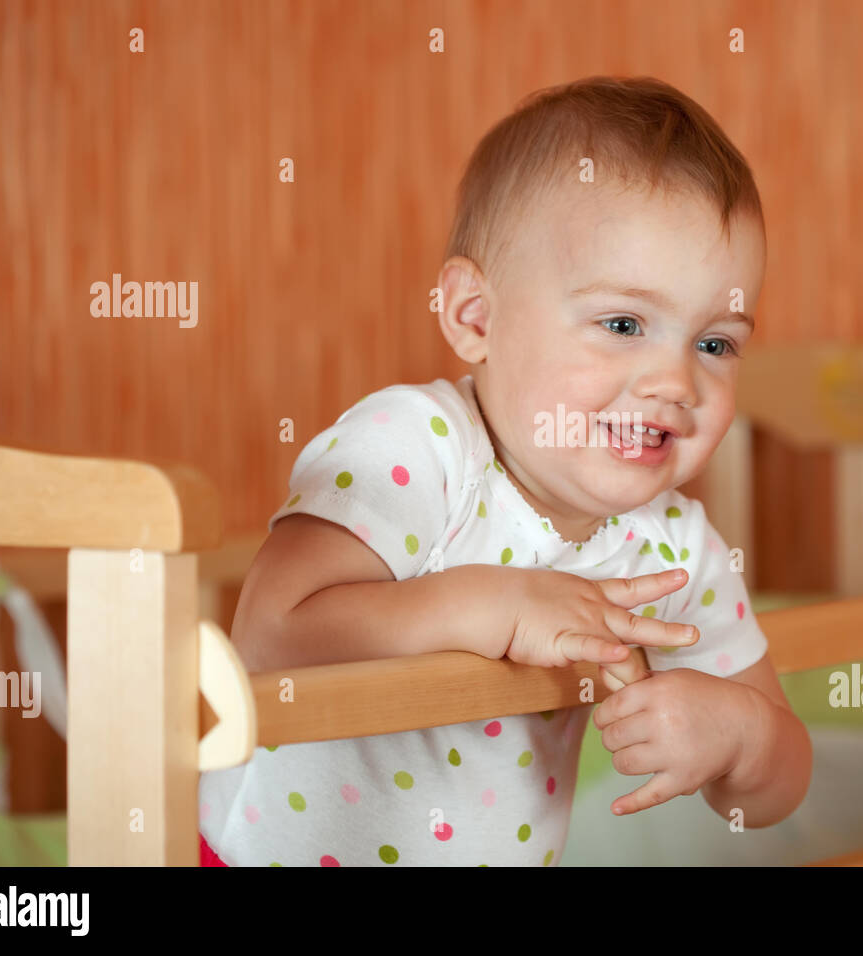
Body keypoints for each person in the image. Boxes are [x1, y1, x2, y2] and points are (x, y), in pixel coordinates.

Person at [198, 75, 812, 866]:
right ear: (474, 317)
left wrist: (744, 739)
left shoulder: (673, 551)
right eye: (623, 323)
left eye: (716, 343)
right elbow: (269, 635)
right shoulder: (415, 448)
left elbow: (779, 784)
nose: (677, 382)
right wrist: (486, 604)